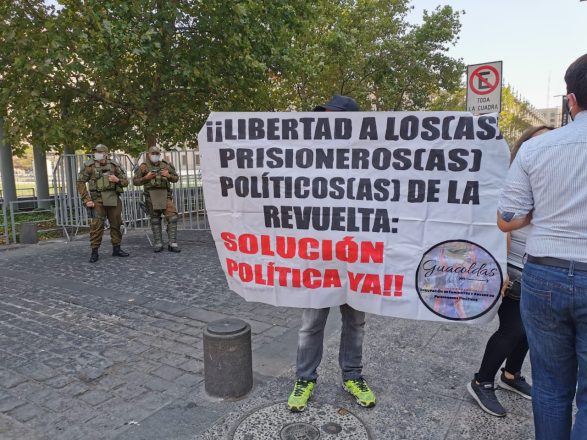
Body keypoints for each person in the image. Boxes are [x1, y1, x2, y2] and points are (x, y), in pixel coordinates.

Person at [498, 53, 587, 440]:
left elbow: (507, 211)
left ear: (570, 101)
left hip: (544, 272)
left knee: (550, 385)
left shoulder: (537, 149)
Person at [287, 95, 376, 412]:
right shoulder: (309, 156)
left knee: (355, 322)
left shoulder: (369, 159)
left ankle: (352, 375)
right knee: (311, 323)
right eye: (323, 116)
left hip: (357, 256)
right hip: (320, 256)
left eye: (331, 116)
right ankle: (305, 379)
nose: (324, 121)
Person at [467, 125, 553, 417]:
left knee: (529, 329)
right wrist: (500, 267)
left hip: (539, 265)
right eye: (539, 141)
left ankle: (511, 375)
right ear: (524, 147)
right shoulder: (510, 179)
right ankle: (482, 381)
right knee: (513, 327)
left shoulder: (552, 178)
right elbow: (498, 224)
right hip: (513, 266)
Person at [77, 144, 130, 263]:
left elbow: (126, 182)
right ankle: (94, 251)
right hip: (97, 199)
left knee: (116, 224)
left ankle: (117, 248)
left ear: (106, 153)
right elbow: (80, 183)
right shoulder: (89, 166)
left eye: (100, 152)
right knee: (96, 226)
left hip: (113, 198)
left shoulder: (114, 165)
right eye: (96, 152)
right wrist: (87, 199)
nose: (97, 154)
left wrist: (117, 180)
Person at [133, 145, 181, 253]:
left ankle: (172, 243)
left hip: (165, 195)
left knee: (172, 217)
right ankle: (158, 242)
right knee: (155, 220)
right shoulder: (143, 166)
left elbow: (176, 178)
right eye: (153, 154)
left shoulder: (165, 165)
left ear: (159, 155)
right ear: (148, 154)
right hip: (150, 196)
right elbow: (135, 181)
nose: (155, 156)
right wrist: (146, 178)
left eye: (157, 154)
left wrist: (168, 175)